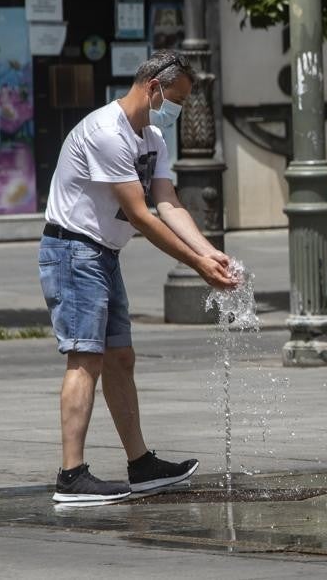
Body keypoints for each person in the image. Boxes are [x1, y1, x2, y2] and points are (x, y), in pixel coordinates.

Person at [39, 50, 238, 505]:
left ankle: (141, 463)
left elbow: (169, 203)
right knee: (85, 358)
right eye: (178, 100)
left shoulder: (151, 137)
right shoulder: (106, 133)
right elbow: (142, 217)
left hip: (102, 253)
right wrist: (196, 265)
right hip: (72, 249)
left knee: (120, 357)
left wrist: (213, 254)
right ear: (154, 88)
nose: (179, 111)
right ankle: (71, 476)